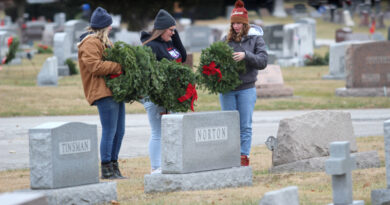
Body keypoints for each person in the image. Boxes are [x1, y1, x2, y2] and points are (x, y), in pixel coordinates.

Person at [78, 7, 126, 179]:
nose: (111, 28)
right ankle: (106, 168)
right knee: (110, 130)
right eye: (109, 25)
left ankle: (114, 166)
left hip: (114, 91)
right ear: (103, 26)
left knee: (119, 131)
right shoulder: (90, 42)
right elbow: (95, 66)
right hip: (102, 92)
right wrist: (120, 66)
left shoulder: (105, 41)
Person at [140, 9, 187, 174]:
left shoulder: (168, 42)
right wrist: (159, 97)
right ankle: (155, 167)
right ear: (161, 29)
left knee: (170, 132)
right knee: (158, 132)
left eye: (174, 30)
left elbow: (183, 55)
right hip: (155, 97)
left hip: (169, 96)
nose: (173, 33)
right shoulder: (151, 46)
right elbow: (146, 74)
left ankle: (167, 164)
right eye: (171, 30)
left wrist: (174, 35)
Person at [221, 0, 268, 166]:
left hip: (246, 89)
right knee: (228, 125)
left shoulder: (256, 39)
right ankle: (228, 158)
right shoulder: (225, 40)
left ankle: (243, 157)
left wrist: (246, 55)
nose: (236, 27)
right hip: (227, 90)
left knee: (245, 126)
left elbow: (263, 61)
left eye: (239, 23)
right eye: (234, 23)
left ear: (245, 24)